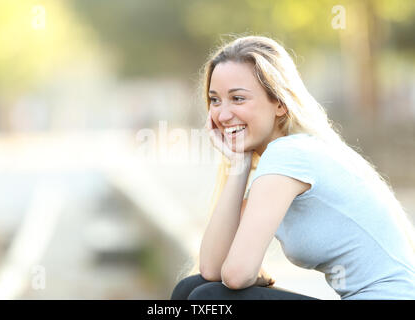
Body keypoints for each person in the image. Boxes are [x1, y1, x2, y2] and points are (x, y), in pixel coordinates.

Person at [170, 35, 415, 300]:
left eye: (238, 99)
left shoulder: (289, 155)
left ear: (280, 103)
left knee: (210, 298)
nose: (223, 114)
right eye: (215, 100)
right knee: (192, 289)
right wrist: (238, 164)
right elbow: (211, 268)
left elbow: (236, 275)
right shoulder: (279, 163)